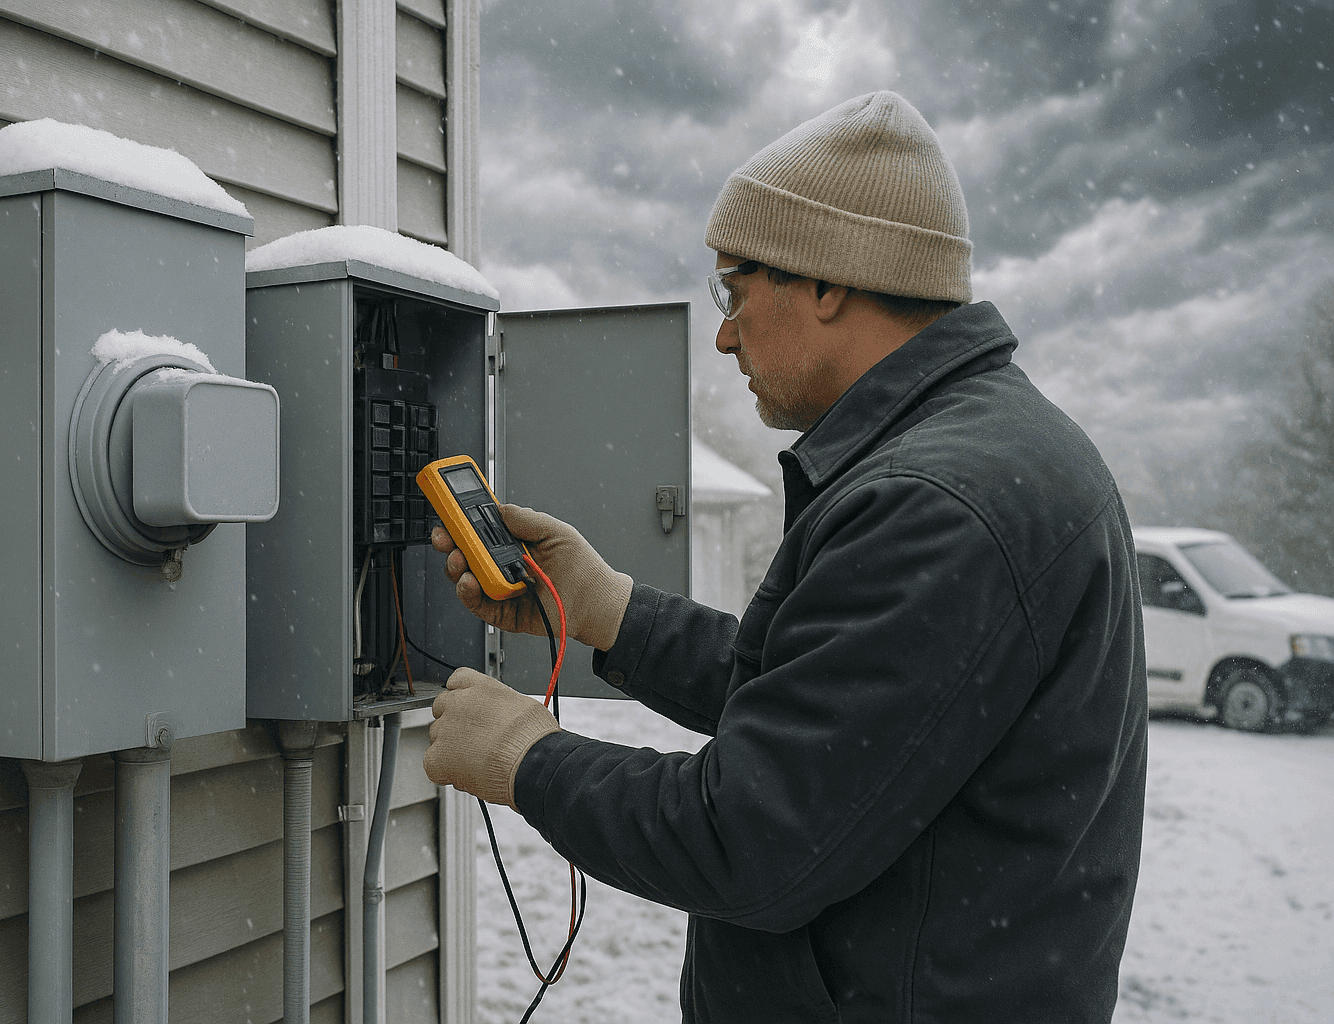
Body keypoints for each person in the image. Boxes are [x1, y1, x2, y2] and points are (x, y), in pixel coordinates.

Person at [424, 90, 1148, 1023]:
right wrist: (610, 608)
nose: (723, 331)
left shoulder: (935, 503)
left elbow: (750, 837)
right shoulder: (978, 449)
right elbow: (839, 716)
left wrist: (525, 756)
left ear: (826, 279)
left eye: (734, 288)